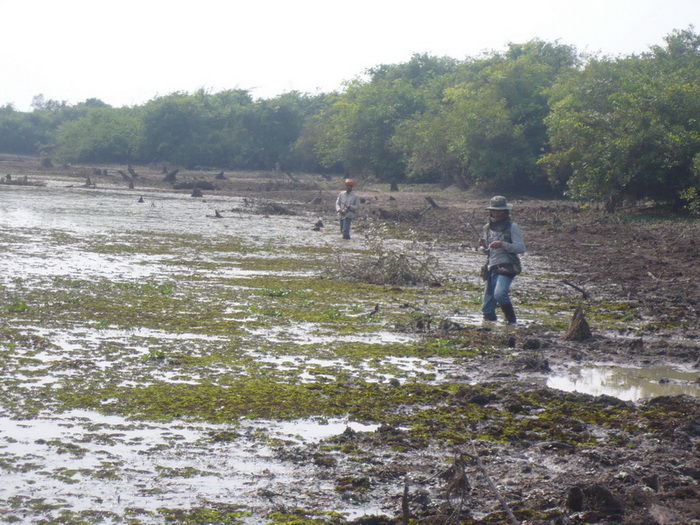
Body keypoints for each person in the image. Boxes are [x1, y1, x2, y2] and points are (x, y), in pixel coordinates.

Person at [478, 195, 526, 325]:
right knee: (487, 310)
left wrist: (503, 244)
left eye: (499, 210)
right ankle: (489, 327)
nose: (496, 213)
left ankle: (511, 322)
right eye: (494, 210)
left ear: (505, 211)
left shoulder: (513, 227)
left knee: (499, 295)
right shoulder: (487, 228)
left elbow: (521, 248)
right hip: (491, 267)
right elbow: (486, 250)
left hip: (506, 266)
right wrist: (483, 246)